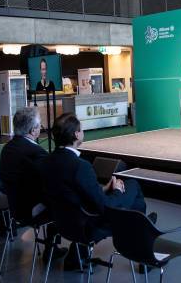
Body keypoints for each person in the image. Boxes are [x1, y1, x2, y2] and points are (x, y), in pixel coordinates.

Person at [40, 113, 151, 270]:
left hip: (63, 222)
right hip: (87, 224)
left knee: (133, 195)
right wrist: (117, 190)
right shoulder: (81, 166)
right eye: (82, 129)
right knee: (133, 187)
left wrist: (105, 188)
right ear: (77, 134)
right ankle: (144, 244)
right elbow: (104, 207)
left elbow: (73, 192)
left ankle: (78, 254)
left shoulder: (47, 161)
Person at [0, 107, 66, 261]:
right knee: (68, 200)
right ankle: (68, 253)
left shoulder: (7, 148)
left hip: (15, 207)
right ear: (33, 130)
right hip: (30, 209)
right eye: (39, 125)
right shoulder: (35, 152)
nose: (40, 128)